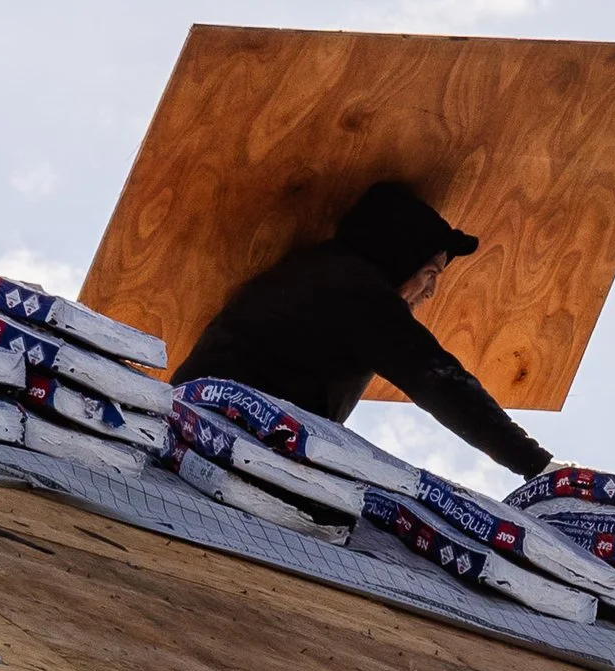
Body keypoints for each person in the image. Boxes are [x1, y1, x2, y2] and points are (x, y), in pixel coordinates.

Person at [175, 182, 548, 481]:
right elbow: (437, 379)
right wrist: (536, 465)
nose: (431, 292)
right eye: (430, 274)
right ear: (400, 256)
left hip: (205, 435)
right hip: (219, 438)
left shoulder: (322, 275)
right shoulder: (353, 288)